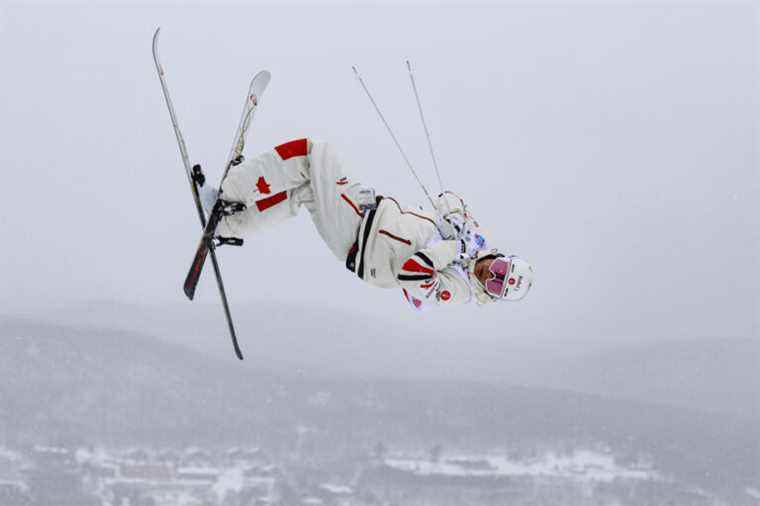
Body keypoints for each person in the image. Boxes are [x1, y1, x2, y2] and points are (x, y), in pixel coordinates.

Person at [201, 138, 534, 310]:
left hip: (363, 241)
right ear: (502, 256)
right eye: (500, 270)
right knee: (305, 190)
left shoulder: (458, 291)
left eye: (495, 284)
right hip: (367, 215)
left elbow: (410, 273)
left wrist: (450, 248)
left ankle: (231, 190)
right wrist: (459, 224)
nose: (490, 275)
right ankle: (230, 223)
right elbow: (447, 198)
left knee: (312, 153)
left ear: (490, 295)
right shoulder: (472, 247)